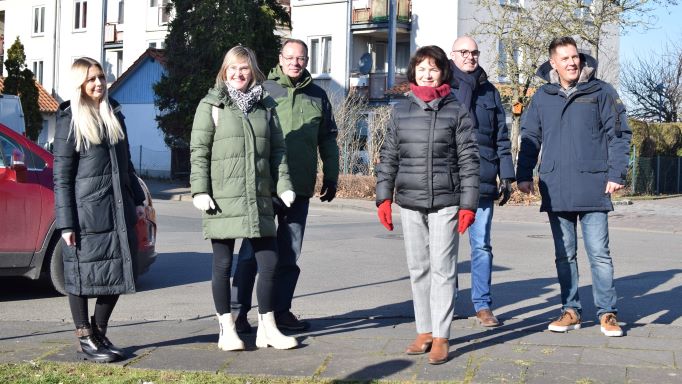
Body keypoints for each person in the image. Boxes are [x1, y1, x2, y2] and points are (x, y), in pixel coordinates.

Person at [516, 36, 631, 337]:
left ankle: (607, 313)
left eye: (574, 57)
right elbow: (530, 137)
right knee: (564, 254)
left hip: (594, 185)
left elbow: (619, 134)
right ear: (552, 63)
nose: (571, 62)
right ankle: (571, 311)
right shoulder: (542, 96)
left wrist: (617, 173)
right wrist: (523, 173)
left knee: (599, 254)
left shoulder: (601, 92)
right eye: (564, 58)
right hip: (556, 187)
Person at [375, 45, 480, 365]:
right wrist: (384, 196)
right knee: (419, 268)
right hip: (409, 202)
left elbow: (469, 160)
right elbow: (389, 155)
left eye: (433, 68)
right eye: (421, 68)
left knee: (444, 269)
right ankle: (424, 330)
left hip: (447, 201)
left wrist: (468, 204)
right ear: (413, 72)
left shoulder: (456, 110)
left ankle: (442, 335)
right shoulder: (401, 110)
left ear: (442, 72)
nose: (427, 73)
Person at [190, 45, 297, 351]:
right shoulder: (212, 104)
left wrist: (283, 184)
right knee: (223, 265)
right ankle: (227, 330)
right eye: (233, 68)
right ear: (225, 71)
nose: (238, 74)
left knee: (269, 261)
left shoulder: (266, 105)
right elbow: (199, 152)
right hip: (222, 197)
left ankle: (268, 328)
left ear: (253, 72)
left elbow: (278, 150)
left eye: (244, 68)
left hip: (258, 197)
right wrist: (200, 190)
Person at [231, 38, 340, 333]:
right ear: (281, 58)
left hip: (300, 186)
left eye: (301, 58)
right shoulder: (264, 90)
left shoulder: (318, 95)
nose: (295, 62)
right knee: (250, 253)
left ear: (306, 61)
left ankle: (280, 312)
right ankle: (237, 313)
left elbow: (328, 139)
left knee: (289, 254)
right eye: (290, 57)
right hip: (265, 186)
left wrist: (331, 176)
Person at [53, 57, 146, 362]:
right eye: (91, 79)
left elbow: (127, 165)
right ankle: (84, 337)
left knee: (121, 270)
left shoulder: (114, 114)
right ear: (80, 83)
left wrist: (137, 201)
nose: (98, 84)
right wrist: (66, 224)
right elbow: (62, 177)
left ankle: (99, 332)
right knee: (79, 275)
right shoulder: (70, 119)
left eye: (101, 77)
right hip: (86, 215)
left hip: (118, 211)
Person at [449, 36, 515, 327]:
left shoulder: (490, 92)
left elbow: (501, 136)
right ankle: (444, 302)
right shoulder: (443, 87)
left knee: (482, 246)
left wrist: (507, 175)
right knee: (444, 248)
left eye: (474, 52)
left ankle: (483, 305)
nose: (470, 57)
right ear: (453, 55)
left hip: (483, 179)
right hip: (448, 181)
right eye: (464, 52)